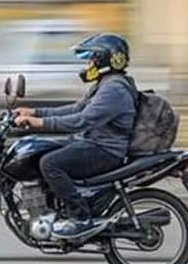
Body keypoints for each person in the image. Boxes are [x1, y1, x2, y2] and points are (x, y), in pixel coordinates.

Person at [14, 33, 136, 242]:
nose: (88, 65)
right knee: (40, 149)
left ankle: (80, 218)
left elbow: (82, 120)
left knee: (50, 163)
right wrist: (35, 112)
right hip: (92, 142)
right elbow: (76, 109)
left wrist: (39, 123)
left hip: (105, 150)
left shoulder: (114, 89)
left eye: (92, 59)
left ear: (106, 60)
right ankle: (54, 208)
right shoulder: (105, 84)